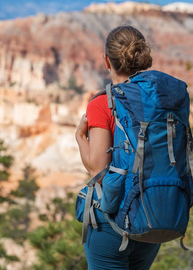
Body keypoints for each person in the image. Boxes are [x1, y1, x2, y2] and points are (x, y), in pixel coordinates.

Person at [75, 26, 161, 269]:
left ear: (106, 60)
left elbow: (98, 171)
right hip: (150, 216)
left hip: (112, 219)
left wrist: (81, 139)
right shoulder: (158, 100)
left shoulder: (102, 103)